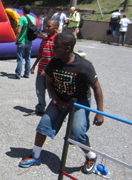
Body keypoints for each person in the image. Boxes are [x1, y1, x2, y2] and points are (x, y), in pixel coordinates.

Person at [19, 32, 104, 176]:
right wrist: (56, 100)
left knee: (77, 133)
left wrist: (99, 113)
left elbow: (97, 88)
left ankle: (91, 156)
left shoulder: (84, 66)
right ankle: (36, 155)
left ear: (68, 48)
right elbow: (49, 83)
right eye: (54, 46)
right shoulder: (54, 62)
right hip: (59, 99)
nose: (53, 50)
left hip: (79, 102)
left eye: (57, 47)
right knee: (43, 126)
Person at [30, 19, 59, 115]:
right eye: (46, 26)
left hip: (51, 72)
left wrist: (47, 70)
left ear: (56, 28)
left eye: (49, 26)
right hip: (40, 71)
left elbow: (57, 58)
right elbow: (40, 54)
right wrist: (34, 66)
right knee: (39, 91)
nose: (46, 28)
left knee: (53, 93)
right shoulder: (44, 40)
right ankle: (40, 108)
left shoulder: (57, 41)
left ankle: (56, 109)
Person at [14, 5, 37, 79]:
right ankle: (27, 73)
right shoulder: (33, 19)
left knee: (20, 58)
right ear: (30, 11)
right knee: (28, 58)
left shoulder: (22, 18)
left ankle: (18, 73)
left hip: (22, 40)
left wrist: (16, 39)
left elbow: (19, 30)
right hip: (29, 41)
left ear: (23, 11)